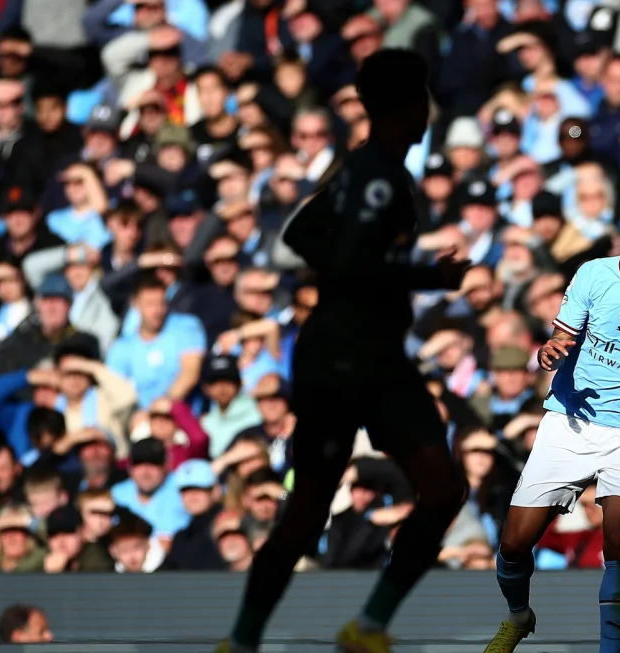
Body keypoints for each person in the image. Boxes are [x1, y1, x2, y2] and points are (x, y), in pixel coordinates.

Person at [215, 50, 470, 653]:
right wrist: (425, 279)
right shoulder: (380, 176)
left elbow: (301, 233)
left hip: (353, 355)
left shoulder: (360, 168)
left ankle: (311, 632)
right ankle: (312, 631)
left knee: (339, 506)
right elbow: (353, 262)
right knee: (419, 493)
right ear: (413, 108)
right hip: (352, 357)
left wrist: (366, 272)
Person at [482, 194, 620, 653]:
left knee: (619, 538)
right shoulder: (593, 274)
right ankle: (518, 616)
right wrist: (550, 350)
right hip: (568, 421)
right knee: (512, 545)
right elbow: (562, 335)